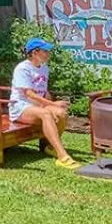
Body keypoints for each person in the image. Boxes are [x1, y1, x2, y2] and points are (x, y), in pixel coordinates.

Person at [9, 38, 80, 169]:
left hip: (37, 107)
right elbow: (29, 94)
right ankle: (62, 156)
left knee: (61, 113)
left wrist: (52, 104)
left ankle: (51, 147)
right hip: (20, 107)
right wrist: (51, 104)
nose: (48, 53)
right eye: (45, 51)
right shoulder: (22, 68)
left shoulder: (44, 68)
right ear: (35, 52)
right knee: (46, 114)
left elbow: (43, 90)